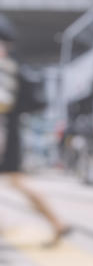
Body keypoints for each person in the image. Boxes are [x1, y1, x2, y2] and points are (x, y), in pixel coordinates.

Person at [0, 16, 71, 245]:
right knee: (19, 181)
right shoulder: (15, 65)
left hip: (3, 133)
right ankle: (56, 222)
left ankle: (56, 222)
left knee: (19, 181)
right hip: (10, 133)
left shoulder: (4, 66)